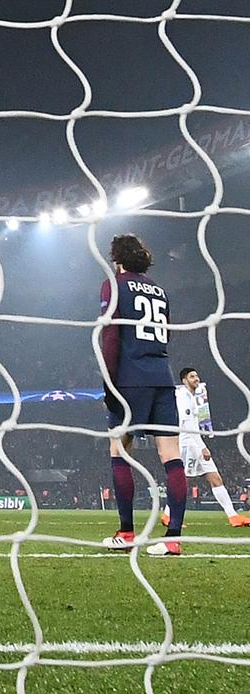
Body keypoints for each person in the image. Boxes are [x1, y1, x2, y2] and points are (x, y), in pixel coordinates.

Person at [98, 234, 185, 556]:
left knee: (120, 451)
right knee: (171, 456)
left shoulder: (114, 284)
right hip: (163, 377)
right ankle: (173, 538)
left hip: (129, 379)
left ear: (117, 259)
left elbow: (110, 335)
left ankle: (127, 533)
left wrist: (108, 382)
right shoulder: (159, 290)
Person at [165, 368, 249, 528]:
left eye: (197, 375)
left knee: (215, 478)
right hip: (188, 443)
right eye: (192, 376)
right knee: (181, 481)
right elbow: (188, 425)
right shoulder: (183, 397)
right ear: (184, 380)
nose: (196, 378)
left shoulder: (192, 397)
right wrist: (202, 447)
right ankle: (169, 515)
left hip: (194, 442)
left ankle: (233, 516)